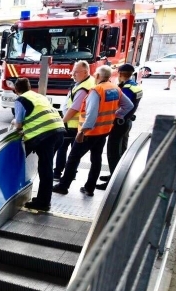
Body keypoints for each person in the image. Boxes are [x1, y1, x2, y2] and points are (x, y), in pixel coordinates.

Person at [53, 65, 133, 197]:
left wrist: (82, 131)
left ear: (97, 76)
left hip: (90, 132)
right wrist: (115, 115)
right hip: (104, 131)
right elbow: (128, 105)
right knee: (96, 159)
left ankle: (63, 186)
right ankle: (90, 188)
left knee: (73, 158)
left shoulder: (97, 90)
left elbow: (91, 114)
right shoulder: (114, 88)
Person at [11, 78, 65, 212]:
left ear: (16, 90)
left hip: (45, 136)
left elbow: (18, 124)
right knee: (45, 167)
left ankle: (43, 202)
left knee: (45, 170)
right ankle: (42, 199)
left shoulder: (21, 99)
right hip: (59, 131)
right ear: (29, 87)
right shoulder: (39, 96)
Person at [97, 63, 142, 190]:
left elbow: (124, 105)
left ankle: (113, 181)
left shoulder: (126, 88)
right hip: (127, 122)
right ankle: (115, 175)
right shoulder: (135, 86)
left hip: (119, 123)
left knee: (113, 153)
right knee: (121, 151)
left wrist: (116, 115)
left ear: (121, 74)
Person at [55, 61, 94, 180]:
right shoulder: (87, 82)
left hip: (73, 124)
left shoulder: (83, 88)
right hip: (78, 125)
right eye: (72, 72)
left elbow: (74, 109)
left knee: (64, 148)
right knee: (75, 152)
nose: (72, 74)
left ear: (85, 72)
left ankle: (58, 173)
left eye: (76, 72)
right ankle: (71, 173)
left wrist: (62, 122)